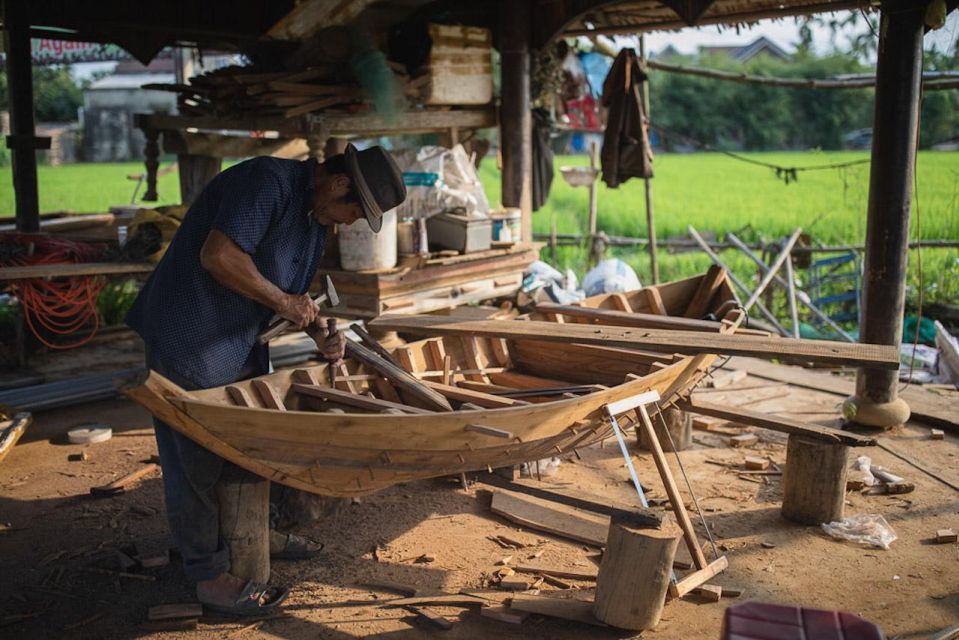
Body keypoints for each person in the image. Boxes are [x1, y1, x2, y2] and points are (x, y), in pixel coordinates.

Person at [126, 144, 406, 615]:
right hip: (190, 332)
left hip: (240, 338)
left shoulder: (317, 218)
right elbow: (219, 256)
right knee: (193, 460)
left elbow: (295, 296)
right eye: (353, 210)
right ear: (337, 184)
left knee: (249, 443)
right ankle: (207, 575)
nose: (348, 223)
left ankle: (252, 531)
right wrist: (283, 303)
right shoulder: (266, 184)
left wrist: (319, 331)